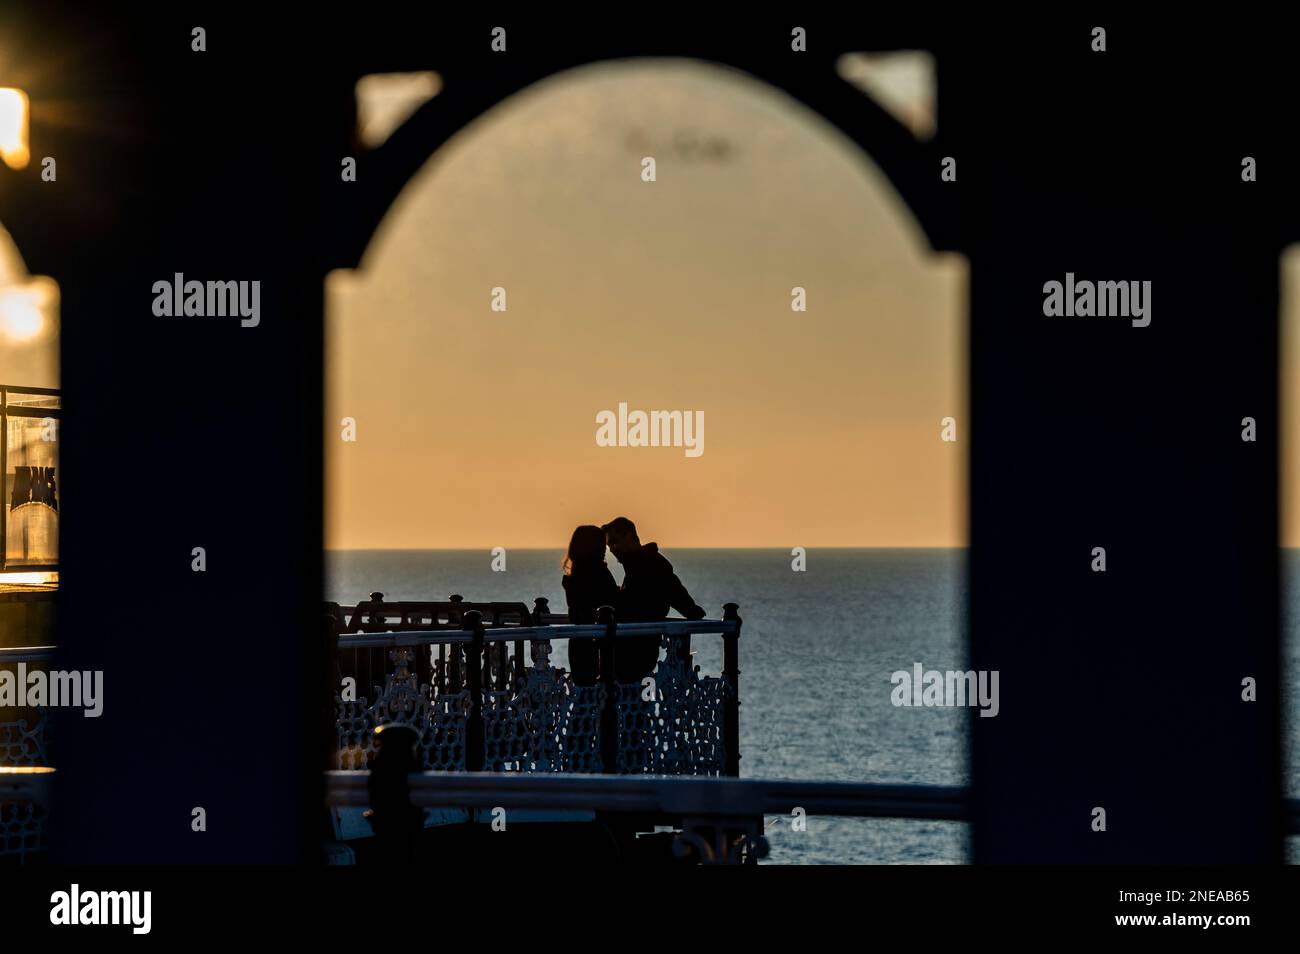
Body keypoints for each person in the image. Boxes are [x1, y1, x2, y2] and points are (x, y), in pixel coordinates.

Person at [601, 516, 706, 682]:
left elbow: (672, 591)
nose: (612, 549)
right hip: (631, 649)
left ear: (630, 536)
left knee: (632, 699)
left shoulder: (651, 563)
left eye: (615, 542)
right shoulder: (638, 565)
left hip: (638, 651)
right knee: (633, 701)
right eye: (609, 546)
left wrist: (691, 610)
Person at [560, 524, 620, 686]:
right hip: (599, 642)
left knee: (584, 694)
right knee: (602, 692)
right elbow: (612, 601)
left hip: (578, 640)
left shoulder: (574, 577)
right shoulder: (600, 574)